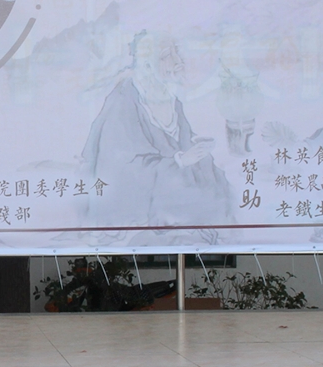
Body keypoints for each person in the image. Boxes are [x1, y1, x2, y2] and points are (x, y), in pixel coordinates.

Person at [82, 31, 232, 227]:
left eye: (176, 51)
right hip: (138, 205)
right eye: (166, 56)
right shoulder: (123, 103)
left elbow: (176, 141)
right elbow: (123, 169)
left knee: (218, 196)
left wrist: (196, 146)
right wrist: (180, 161)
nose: (177, 61)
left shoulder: (169, 96)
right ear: (147, 66)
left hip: (171, 189)